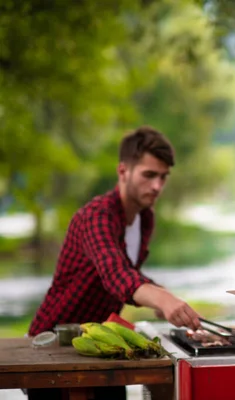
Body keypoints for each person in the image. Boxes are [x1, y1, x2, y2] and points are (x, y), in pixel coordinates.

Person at [27, 126, 202, 400]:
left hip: (103, 344)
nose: (157, 186)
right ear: (123, 172)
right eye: (149, 175)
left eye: (163, 177)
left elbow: (129, 271)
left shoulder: (145, 218)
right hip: (54, 347)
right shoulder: (97, 215)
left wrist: (162, 296)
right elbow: (116, 275)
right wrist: (162, 299)